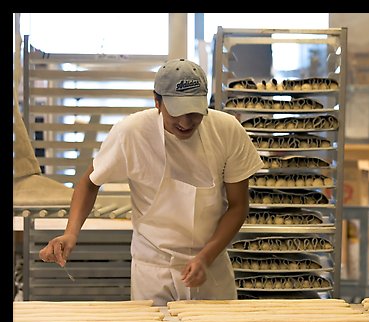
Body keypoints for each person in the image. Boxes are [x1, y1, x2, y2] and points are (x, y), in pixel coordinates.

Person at [39, 58, 264, 305]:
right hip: (153, 270)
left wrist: (205, 258)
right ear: (157, 102)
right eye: (177, 113)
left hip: (212, 269)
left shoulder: (227, 130)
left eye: (194, 112)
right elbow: (90, 182)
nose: (186, 123)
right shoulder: (132, 132)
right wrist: (71, 233)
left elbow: (238, 206)